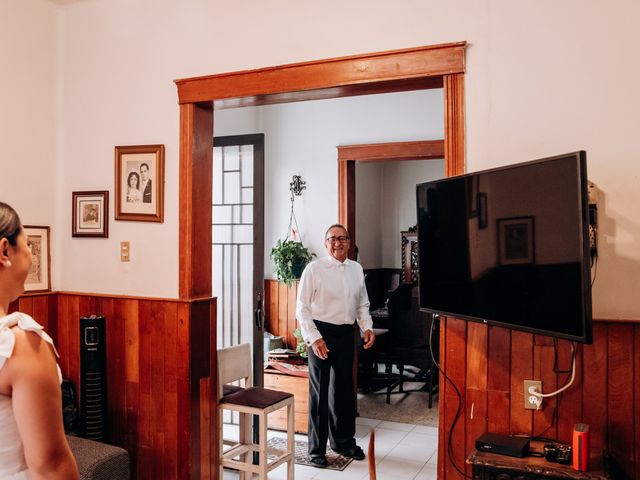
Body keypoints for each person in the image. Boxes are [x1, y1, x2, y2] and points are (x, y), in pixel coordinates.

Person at [0, 201, 79, 480]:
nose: (31, 254)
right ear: (5, 251)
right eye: (27, 244)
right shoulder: (21, 347)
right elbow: (51, 467)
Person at [296, 224, 375, 468]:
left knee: (343, 390)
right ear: (325, 243)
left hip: (345, 333)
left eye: (342, 238)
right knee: (319, 393)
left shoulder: (356, 269)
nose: (337, 243)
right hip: (320, 333)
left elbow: (362, 304)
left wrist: (367, 327)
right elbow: (302, 308)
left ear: (349, 243)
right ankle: (316, 449)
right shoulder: (314, 269)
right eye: (332, 239)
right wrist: (315, 338)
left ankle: (343, 442)